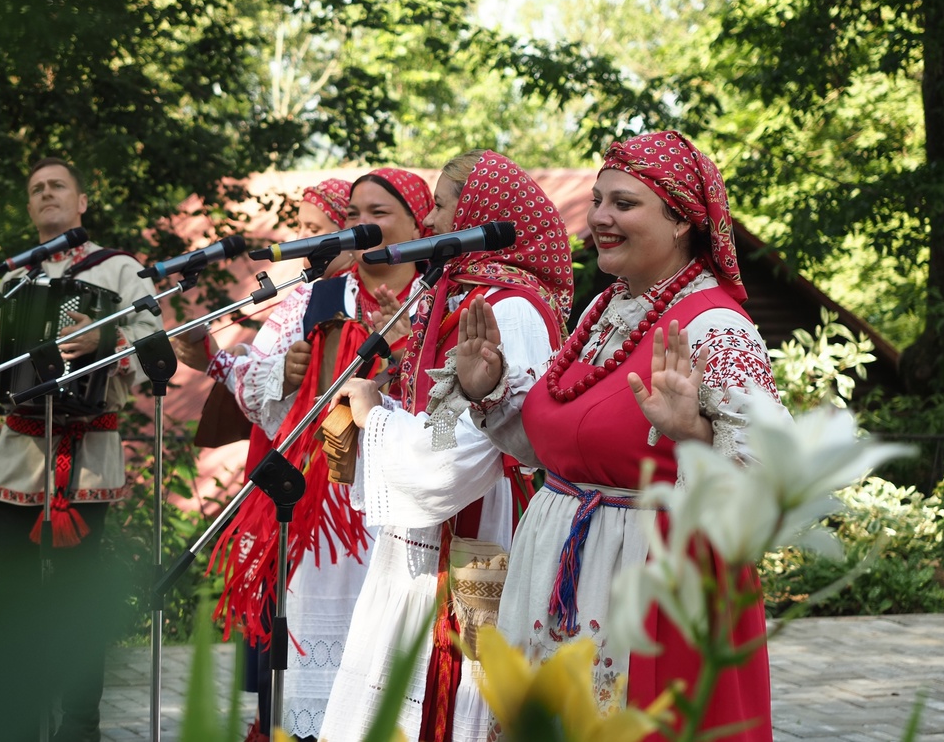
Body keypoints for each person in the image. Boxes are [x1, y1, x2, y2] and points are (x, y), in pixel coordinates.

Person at [453, 131, 781, 740]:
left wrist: (695, 434)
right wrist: (492, 386)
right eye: (598, 199)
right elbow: (568, 444)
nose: (599, 217)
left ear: (683, 220)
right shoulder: (606, 310)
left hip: (644, 584)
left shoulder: (715, 326)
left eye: (624, 204)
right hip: (562, 569)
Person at [319, 151, 574, 742]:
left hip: (478, 527)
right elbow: (446, 422)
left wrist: (373, 417)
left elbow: (464, 451)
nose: (431, 221)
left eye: (441, 203)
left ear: (482, 211)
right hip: (444, 526)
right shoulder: (467, 298)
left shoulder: (510, 309)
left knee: (458, 687)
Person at [194, 169, 434, 742]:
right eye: (352, 213)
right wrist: (287, 370)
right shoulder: (314, 296)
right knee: (314, 671)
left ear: (419, 223)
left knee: (396, 667)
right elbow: (261, 399)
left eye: (379, 212)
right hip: (323, 514)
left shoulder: (436, 299)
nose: (361, 225)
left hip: (403, 507)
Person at [0, 157, 163, 742]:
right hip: (19, 456)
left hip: (87, 457)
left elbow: (156, 346)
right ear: (29, 207)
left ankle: (80, 726)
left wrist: (102, 340)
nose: (47, 194)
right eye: (36, 189)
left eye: (58, 186)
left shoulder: (121, 270)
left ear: (82, 202)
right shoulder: (12, 283)